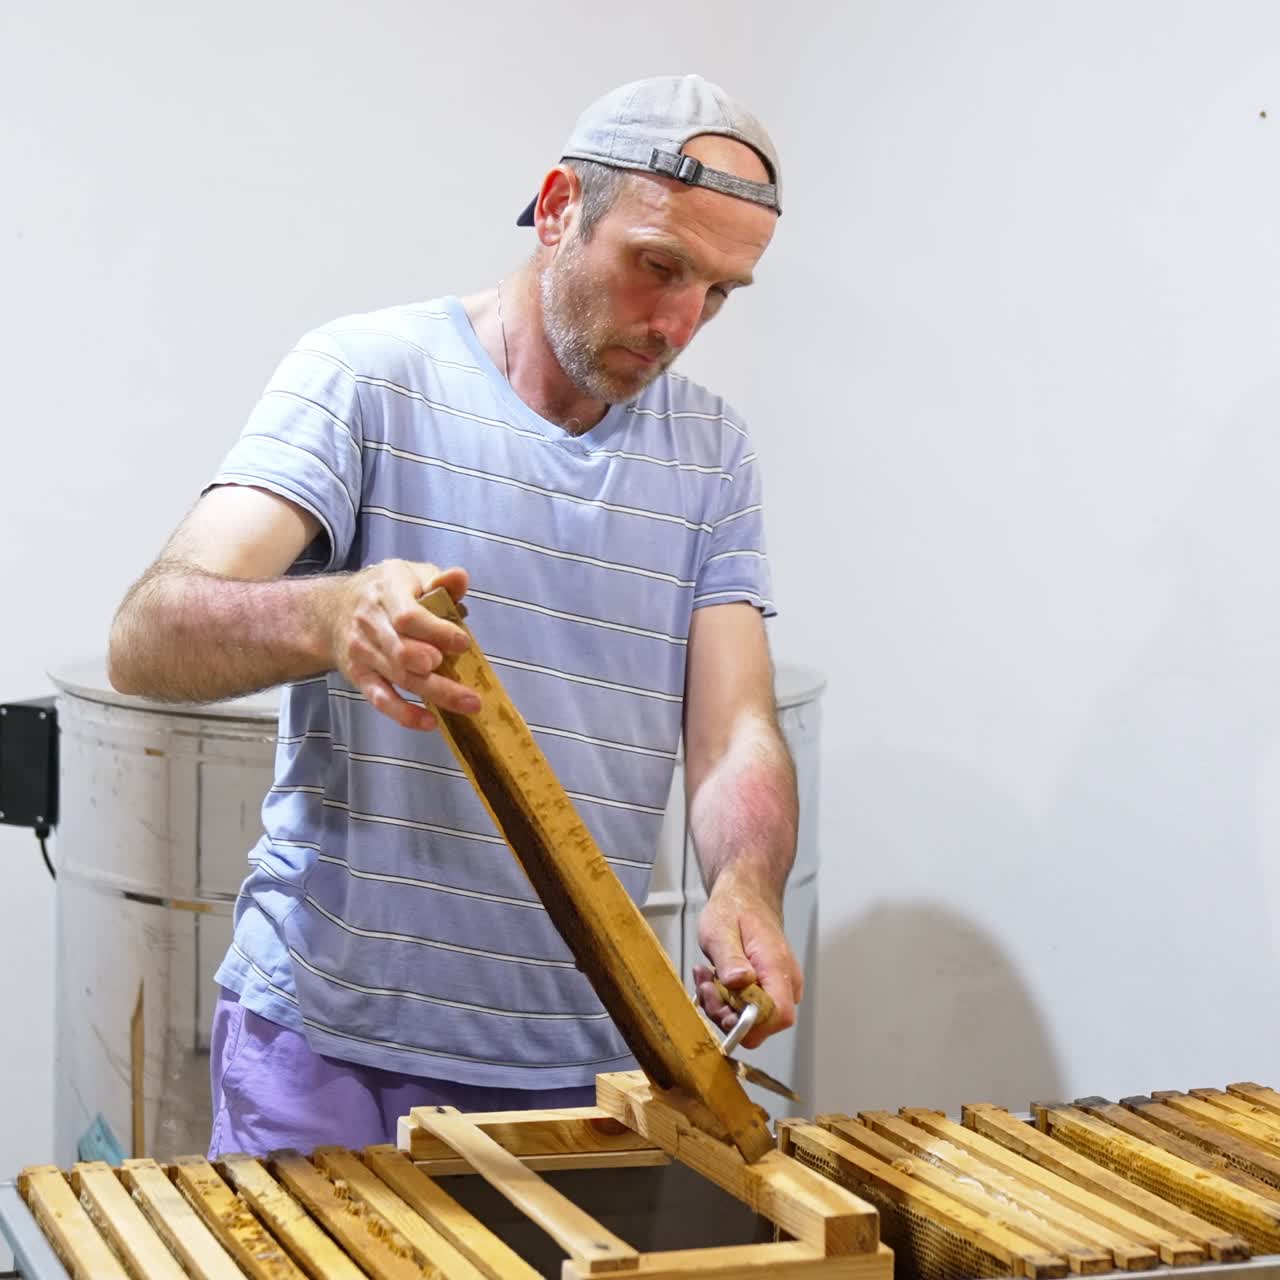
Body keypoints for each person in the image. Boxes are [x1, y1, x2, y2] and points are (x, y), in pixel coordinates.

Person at [107, 73, 804, 1157]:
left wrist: (746, 883)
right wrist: (333, 613)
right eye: (656, 266)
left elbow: (733, 734)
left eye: (717, 292)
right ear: (560, 204)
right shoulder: (366, 375)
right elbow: (146, 636)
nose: (676, 323)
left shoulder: (711, 451)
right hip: (333, 1051)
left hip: (584, 1064)